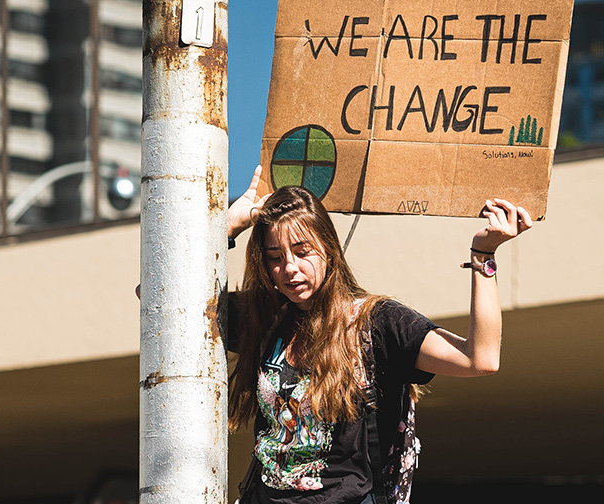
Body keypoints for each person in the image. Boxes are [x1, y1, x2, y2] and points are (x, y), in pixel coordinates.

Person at [225, 166, 533, 504]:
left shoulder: (377, 323)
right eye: (275, 258)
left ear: (329, 249)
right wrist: (228, 227)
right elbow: (174, 311)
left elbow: (480, 359)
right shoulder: (264, 318)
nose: (290, 268)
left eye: (302, 252)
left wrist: (484, 256)